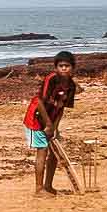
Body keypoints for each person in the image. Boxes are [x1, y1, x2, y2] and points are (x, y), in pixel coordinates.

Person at [23, 51, 78, 197]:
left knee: (55, 153)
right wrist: (47, 124)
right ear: (56, 68)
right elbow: (40, 101)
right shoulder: (51, 79)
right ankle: (39, 189)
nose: (64, 69)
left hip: (52, 120)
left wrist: (55, 127)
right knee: (43, 150)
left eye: (67, 66)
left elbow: (61, 109)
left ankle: (49, 186)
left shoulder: (71, 86)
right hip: (35, 118)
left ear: (72, 68)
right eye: (61, 66)